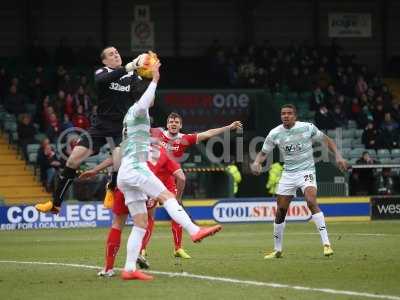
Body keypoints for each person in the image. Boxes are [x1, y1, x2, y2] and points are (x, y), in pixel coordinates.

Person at [116, 61, 221, 280]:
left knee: (141, 223)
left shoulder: (130, 115)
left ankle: (129, 269)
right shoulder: (138, 109)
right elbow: (145, 99)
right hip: (136, 168)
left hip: (126, 171)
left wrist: (133, 70)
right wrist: (154, 78)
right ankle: (194, 230)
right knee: (167, 195)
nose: (151, 98)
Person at [35, 46, 150, 214]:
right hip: (100, 126)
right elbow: (103, 81)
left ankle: (111, 189)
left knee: (118, 158)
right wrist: (131, 65)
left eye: (117, 52)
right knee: (72, 160)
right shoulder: (101, 72)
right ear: (105, 61)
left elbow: (141, 93)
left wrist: (148, 74)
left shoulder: (132, 76)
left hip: (122, 127)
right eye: (111, 54)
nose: (116, 55)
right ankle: (55, 203)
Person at [251, 104, 347, 259]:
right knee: (281, 211)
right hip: (288, 174)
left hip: (306, 171)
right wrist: (257, 162)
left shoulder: (307, 128)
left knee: (311, 201)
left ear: (295, 116)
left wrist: (338, 156)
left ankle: (327, 244)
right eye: (283, 113)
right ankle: (277, 250)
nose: (286, 116)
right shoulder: (275, 133)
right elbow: (264, 152)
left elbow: (326, 140)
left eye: (289, 113)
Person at [79, 141, 186, 276]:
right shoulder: (156, 146)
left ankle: (108, 268)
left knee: (117, 224)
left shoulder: (127, 143)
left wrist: (95, 170)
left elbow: (114, 157)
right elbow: (178, 174)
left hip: (123, 185)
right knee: (145, 221)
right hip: (144, 186)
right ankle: (139, 253)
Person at [151, 113, 242, 258]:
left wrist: (229, 127)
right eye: (171, 122)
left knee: (177, 213)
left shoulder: (184, 139)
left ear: (180, 125)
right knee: (148, 215)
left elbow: (208, 133)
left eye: (176, 122)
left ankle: (178, 248)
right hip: (151, 177)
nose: (173, 124)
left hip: (169, 179)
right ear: (167, 124)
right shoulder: (157, 134)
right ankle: (142, 250)